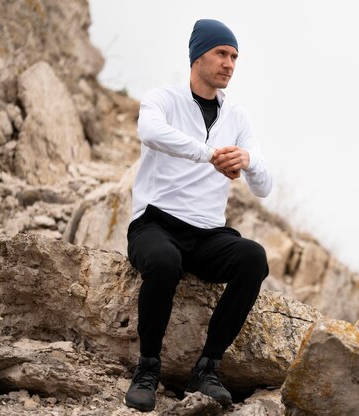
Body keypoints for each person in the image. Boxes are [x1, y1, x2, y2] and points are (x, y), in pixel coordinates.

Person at [123, 19, 272, 412]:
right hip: (156, 223)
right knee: (164, 260)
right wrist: (209, 154)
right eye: (221, 54)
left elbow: (264, 186)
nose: (230, 64)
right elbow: (149, 132)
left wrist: (249, 159)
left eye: (235, 56)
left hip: (207, 234)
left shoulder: (237, 117)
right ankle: (147, 370)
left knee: (253, 258)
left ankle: (207, 369)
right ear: (197, 55)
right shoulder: (163, 99)